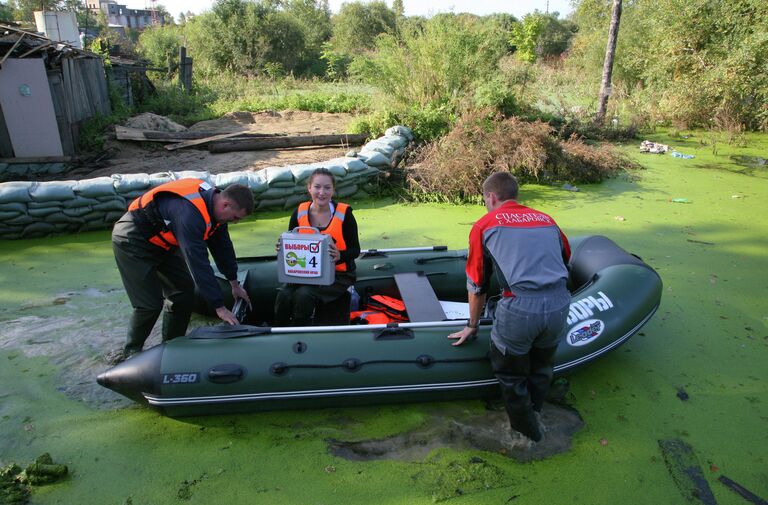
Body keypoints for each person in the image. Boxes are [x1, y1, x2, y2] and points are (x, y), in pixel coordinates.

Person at [448, 172, 571, 444]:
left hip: (521, 308)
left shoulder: (485, 225)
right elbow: (566, 258)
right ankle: (536, 412)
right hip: (560, 303)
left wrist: (471, 325)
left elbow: (477, 282)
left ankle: (527, 435)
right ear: (515, 194)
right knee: (542, 366)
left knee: (510, 374)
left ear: (491, 197)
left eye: (484, 199)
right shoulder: (547, 220)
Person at [109, 179, 254, 363]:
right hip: (133, 238)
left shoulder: (216, 211)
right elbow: (198, 262)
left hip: (163, 242)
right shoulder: (189, 215)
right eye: (235, 218)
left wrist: (234, 283)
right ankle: (131, 352)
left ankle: (171, 344)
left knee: (183, 292)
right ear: (226, 204)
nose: (234, 222)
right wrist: (219, 307)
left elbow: (223, 248)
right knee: (149, 304)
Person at [274, 168, 360, 326]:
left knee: (304, 295)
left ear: (333, 190)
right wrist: (282, 247)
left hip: (338, 276)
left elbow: (355, 250)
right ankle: (280, 332)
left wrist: (340, 255)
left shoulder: (345, 214)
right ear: (309, 188)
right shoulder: (298, 213)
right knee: (284, 295)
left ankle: (301, 333)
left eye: (327, 188)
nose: (322, 192)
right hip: (303, 275)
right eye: (317, 187)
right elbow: (290, 242)